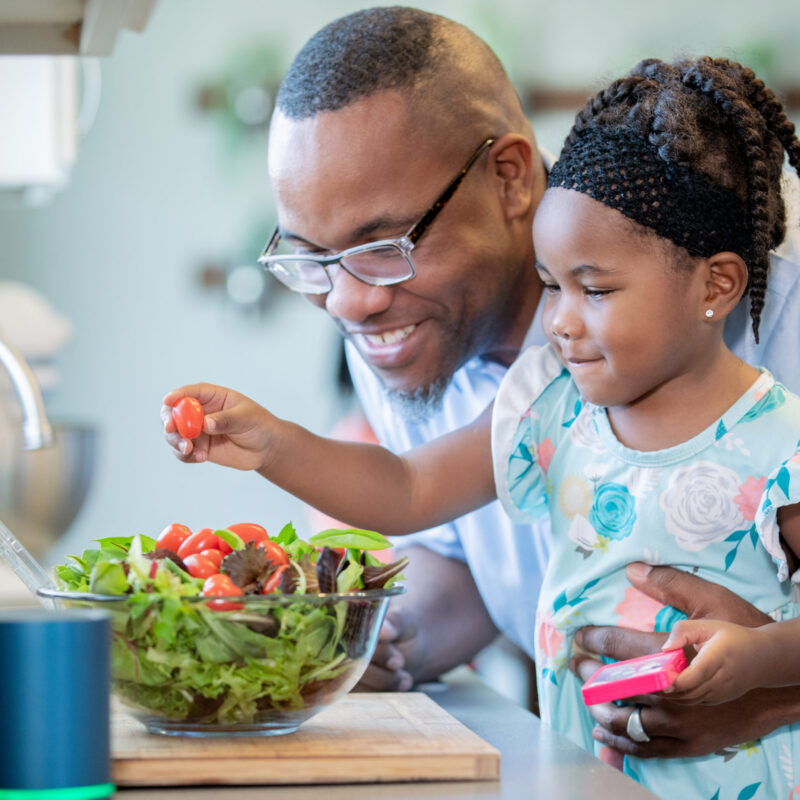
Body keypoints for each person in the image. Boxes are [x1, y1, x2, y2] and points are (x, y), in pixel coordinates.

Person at [170, 7, 800, 760]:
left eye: (383, 244)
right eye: (313, 256)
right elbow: (425, 508)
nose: (349, 302)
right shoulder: (504, 375)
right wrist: (350, 639)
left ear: (509, 178)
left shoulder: (770, 357)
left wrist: (770, 689)